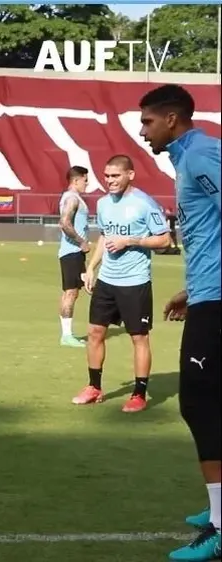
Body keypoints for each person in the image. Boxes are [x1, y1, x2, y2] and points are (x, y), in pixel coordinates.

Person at [140, 84, 221, 562]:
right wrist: (194, 289)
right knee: (209, 401)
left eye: (148, 121)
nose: (142, 129)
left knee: (199, 401)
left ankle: (219, 525)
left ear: (172, 119)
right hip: (209, 294)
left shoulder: (200, 156)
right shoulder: (188, 155)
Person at [75, 154, 171, 413]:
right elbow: (105, 236)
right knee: (95, 333)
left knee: (138, 338)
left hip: (135, 282)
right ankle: (94, 387)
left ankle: (139, 393)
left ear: (130, 175)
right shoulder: (104, 203)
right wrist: (92, 267)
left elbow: (164, 241)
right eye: (106, 176)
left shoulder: (144, 203)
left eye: (115, 176)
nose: (110, 181)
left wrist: (130, 241)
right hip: (107, 280)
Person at [56, 165, 91, 347]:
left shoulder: (72, 198)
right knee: (71, 293)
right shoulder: (72, 198)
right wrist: (81, 242)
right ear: (76, 180)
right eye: (85, 180)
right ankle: (67, 336)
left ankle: (66, 333)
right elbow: (64, 223)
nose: (87, 183)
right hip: (72, 252)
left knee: (69, 293)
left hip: (72, 253)